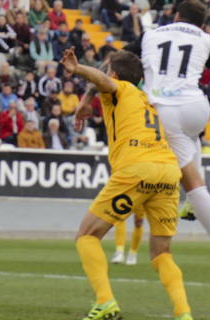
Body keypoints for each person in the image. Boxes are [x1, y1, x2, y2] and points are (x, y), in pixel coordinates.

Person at [90, 0, 210, 278]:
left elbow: (112, 65)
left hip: (163, 110)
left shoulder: (151, 34)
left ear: (176, 14)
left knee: (193, 184)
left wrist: (87, 97)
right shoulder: (206, 37)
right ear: (201, 23)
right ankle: (196, 211)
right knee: (192, 141)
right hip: (197, 108)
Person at [63, 49, 193, 320]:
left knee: (86, 236)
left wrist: (77, 69)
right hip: (169, 171)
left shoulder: (118, 87)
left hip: (137, 167)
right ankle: (184, 314)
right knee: (161, 253)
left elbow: (104, 82)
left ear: (113, 73)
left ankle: (105, 302)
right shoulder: (149, 99)